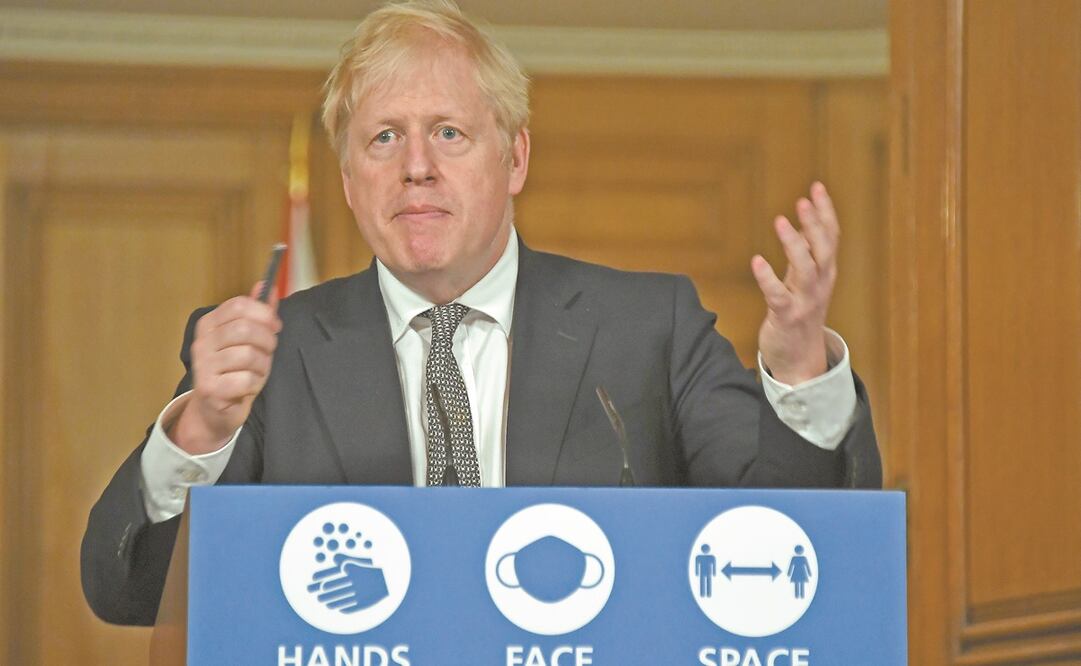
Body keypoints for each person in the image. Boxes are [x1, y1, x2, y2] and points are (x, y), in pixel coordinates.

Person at [81, 0, 880, 626]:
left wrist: (800, 364)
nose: (417, 168)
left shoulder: (649, 327)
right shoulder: (268, 359)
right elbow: (129, 593)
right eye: (383, 137)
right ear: (350, 177)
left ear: (516, 157)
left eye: (449, 133)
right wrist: (200, 433)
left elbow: (791, 543)